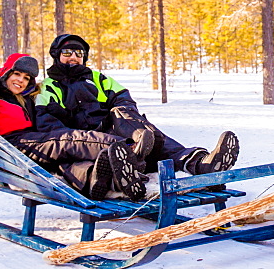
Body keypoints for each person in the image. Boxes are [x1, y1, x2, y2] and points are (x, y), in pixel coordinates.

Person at [36, 33, 239, 177]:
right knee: (131, 137)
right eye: (68, 52)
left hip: (117, 128)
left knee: (131, 119)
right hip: (87, 139)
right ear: (57, 56)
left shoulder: (98, 78)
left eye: (79, 54)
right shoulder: (48, 86)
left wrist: (128, 122)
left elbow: (123, 98)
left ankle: (200, 162)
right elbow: (49, 125)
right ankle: (136, 152)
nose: (74, 57)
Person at [0, 53, 149, 201]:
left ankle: (103, 180)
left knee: (67, 164)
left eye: (26, 78)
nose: (21, 80)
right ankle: (127, 149)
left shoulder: (26, 99)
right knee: (68, 141)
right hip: (11, 147)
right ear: (5, 73)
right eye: (17, 74)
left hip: (30, 144)